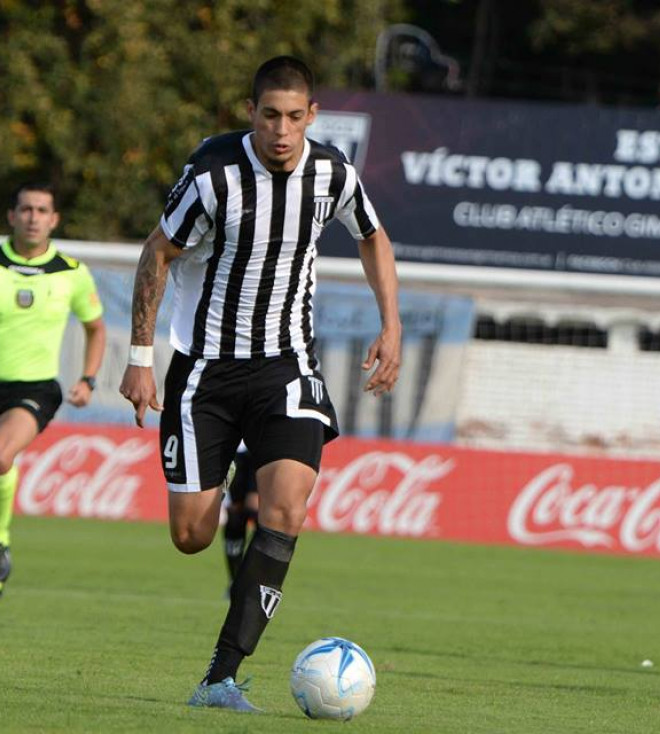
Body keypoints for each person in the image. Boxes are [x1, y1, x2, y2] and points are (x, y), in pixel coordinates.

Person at [118, 56, 401, 713]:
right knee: (191, 535)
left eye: (294, 117)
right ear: (251, 113)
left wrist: (392, 325)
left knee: (285, 511)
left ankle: (220, 676)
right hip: (205, 371)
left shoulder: (331, 172)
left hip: (287, 368)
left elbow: (373, 236)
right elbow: (157, 252)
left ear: (312, 117)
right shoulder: (213, 176)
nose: (281, 129)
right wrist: (140, 357)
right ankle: (219, 510)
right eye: (269, 115)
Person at [0, 182, 105, 615]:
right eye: (25, 209)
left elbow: (95, 327)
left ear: (54, 219)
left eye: (41, 210)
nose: (33, 216)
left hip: (34, 389)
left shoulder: (70, 271)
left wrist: (88, 378)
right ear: (12, 216)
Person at [223, 443, 258, 594]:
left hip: (260, 447)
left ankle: (254, 577)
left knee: (257, 511)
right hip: (234, 448)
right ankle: (235, 580)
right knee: (235, 515)